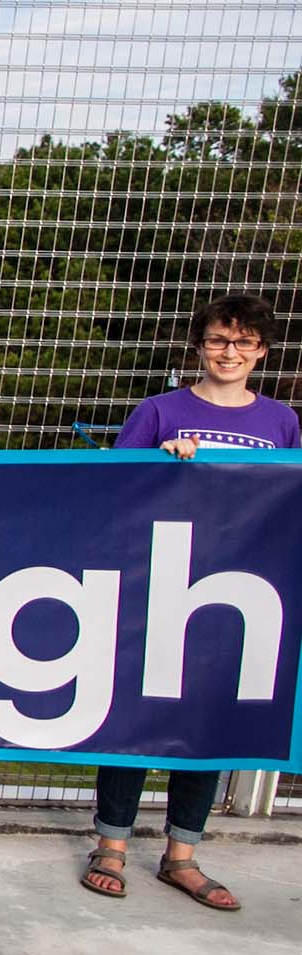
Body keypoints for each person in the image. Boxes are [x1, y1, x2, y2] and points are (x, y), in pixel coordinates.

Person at [77, 293, 294, 912]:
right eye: (220, 341)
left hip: (239, 601)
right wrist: (160, 463)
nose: (231, 353)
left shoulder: (281, 424)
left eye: (244, 343)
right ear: (199, 347)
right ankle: (111, 844)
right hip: (158, 588)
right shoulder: (160, 411)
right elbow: (112, 492)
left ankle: (183, 855)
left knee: (207, 726)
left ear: (262, 352)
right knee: (135, 719)